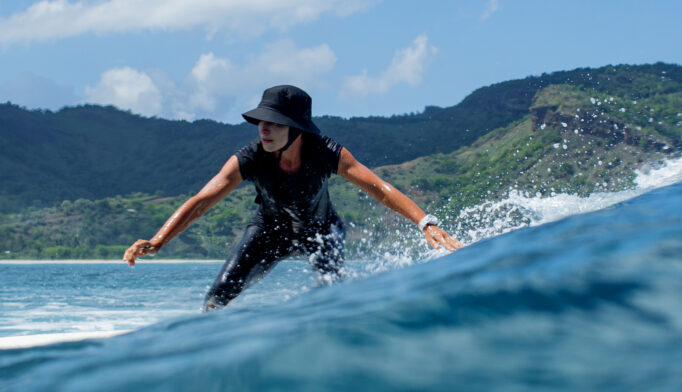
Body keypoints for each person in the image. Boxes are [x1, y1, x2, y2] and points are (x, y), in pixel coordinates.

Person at [123, 85, 463, 310]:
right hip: (268, 233)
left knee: (332, 298)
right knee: (218, 296)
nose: (263, 129)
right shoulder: (250, 157)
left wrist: (425, 222)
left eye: (274, 122)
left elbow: (379, 187)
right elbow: (202, 200)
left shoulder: (326, 152)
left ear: (296, 128)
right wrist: (159, 240)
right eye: (260, 122)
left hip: (321, 233)